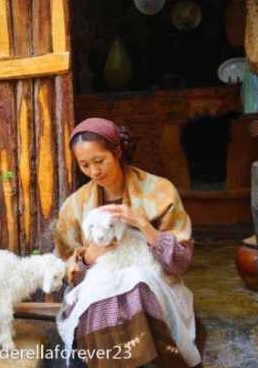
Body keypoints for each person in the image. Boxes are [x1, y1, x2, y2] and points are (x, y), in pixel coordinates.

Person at [54, 118, 206, 368]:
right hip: (99, 286)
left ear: (116, 151)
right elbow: (68, 275)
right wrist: (89, 257)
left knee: (135, 280)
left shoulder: (160, 190)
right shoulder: (74, 206)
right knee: (101, 288)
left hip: (155, 283)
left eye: (99, 161)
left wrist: (142, 223)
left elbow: (179, 264)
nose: (94, 171)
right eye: (84, 165)